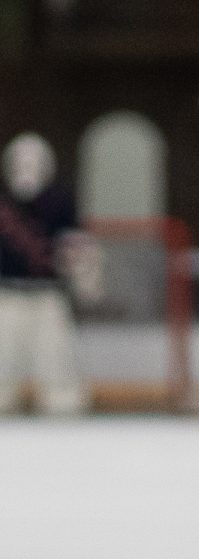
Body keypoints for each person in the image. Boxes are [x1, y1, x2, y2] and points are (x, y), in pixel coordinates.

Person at [0, 131, 94, 415]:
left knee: (56, 359)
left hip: (48, 294)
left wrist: (82, 275)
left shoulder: (60, 202)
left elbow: (74, 244)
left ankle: (61, 400)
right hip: (6, 294)